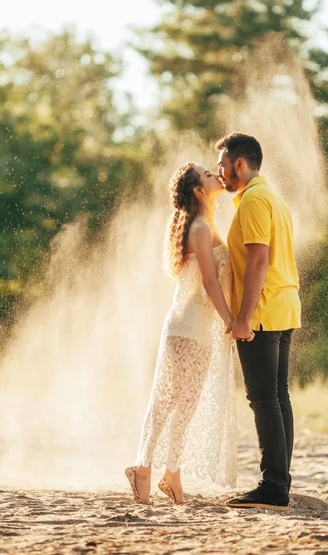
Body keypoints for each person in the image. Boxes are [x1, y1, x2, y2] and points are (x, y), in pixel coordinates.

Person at [125, 162, 238, 505]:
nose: (215, 175)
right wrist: (231, 320)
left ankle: (171, 472)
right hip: (186, 328)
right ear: (198, 191)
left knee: (186, 404)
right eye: (208, 175)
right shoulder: (201, 228)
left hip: (198, 328)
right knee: (168, 400)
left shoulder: (206, 224)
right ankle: (142, 467)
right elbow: (208, 281)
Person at [217, 132, 301, 510]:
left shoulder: (252, 200)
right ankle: (280, 480)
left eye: (221, 164)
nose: (219, 171)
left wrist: (243, 319)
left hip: (264, 310)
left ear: (239, 163)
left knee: (263, 397)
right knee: (278, 396)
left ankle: (273, 486)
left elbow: (258, 260)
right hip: (285, 305)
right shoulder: (273, 196)